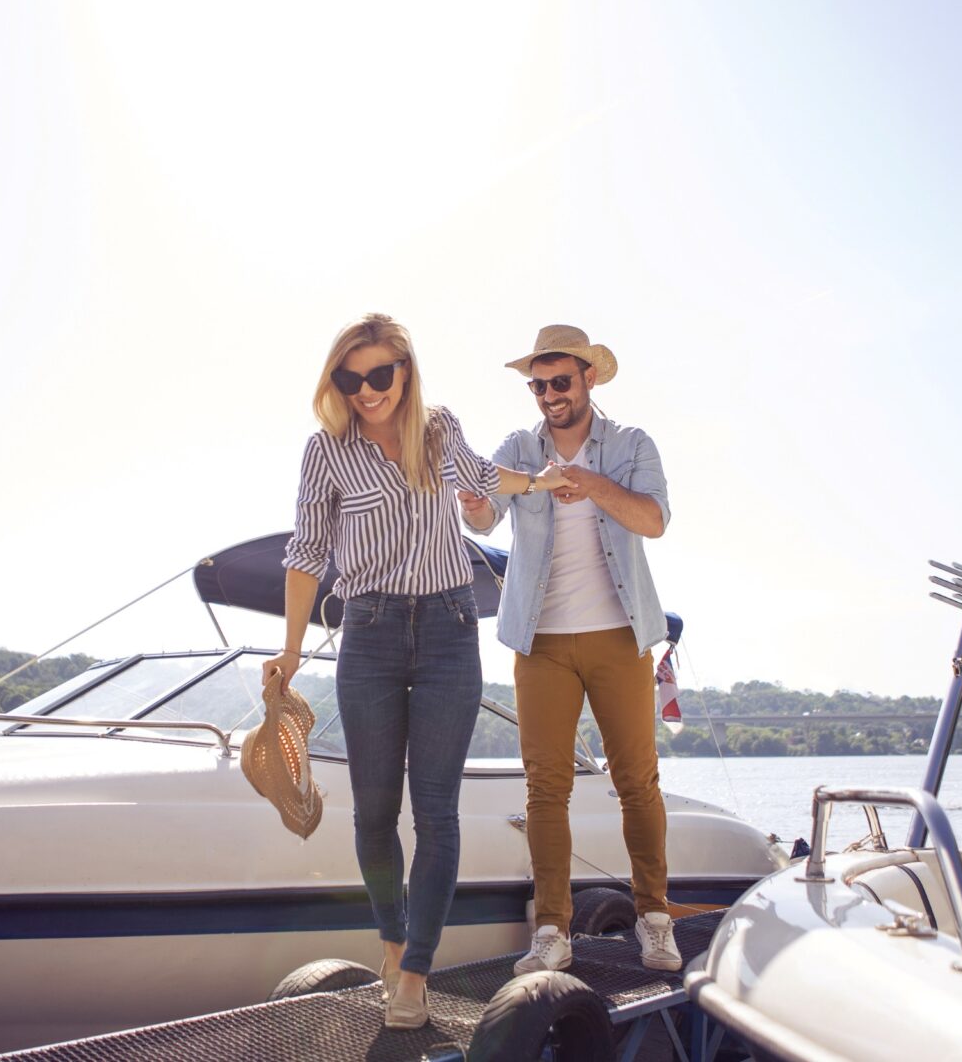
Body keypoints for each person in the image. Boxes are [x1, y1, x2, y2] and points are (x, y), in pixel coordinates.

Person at [262, 313, 568, 1029]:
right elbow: (306, 552)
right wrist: (292, 646)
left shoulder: (437, 429)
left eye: (379, 375)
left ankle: (416, 972)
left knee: (435, 813)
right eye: (351, 377)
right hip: (366, 632)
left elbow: (487, 479)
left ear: (405, 370)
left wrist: (546, 482)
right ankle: (393, 944)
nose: (366, 391)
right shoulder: (326, 451)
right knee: (373, 812)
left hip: (448, 630)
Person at [457, 324, 682, 973]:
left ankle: (656, 918)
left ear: (588, 379)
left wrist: (590, 484)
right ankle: (551, 930)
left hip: (619, 636)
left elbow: (655, 520)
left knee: (637, 781)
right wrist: (474, 505)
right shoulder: (518, 448)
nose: (549, 394)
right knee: (544, 788)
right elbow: (483, 515)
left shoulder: (632, 444)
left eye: (560, 381)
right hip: (541, 642)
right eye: (538, 384)